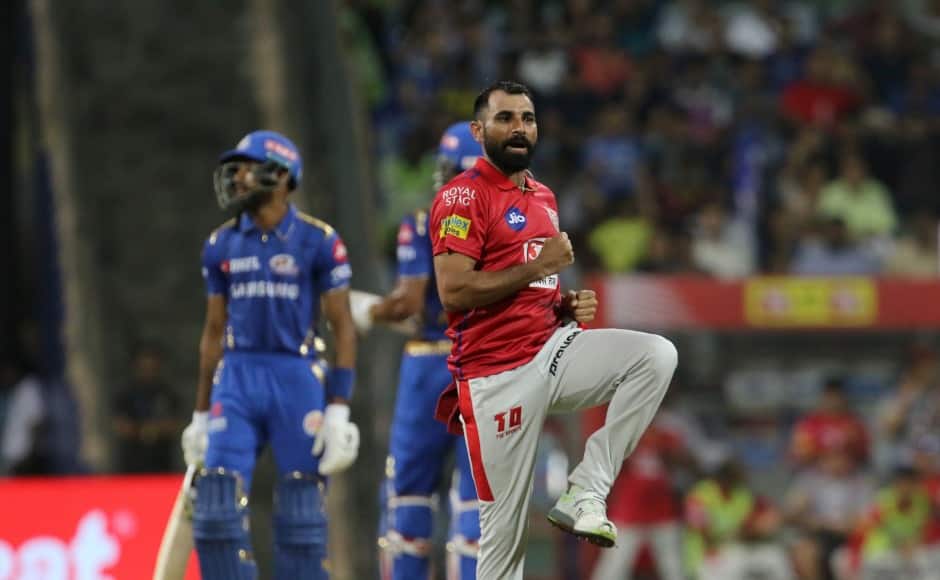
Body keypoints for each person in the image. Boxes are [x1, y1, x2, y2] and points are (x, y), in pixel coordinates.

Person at [429, 80, 678, 579]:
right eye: (505, 118)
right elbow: (454, 293)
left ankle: (586, 488)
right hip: (496, 376)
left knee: (654, 356)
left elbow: (528, 282)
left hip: (551, 348)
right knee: (505, 539)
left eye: (528, 118)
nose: (519, 128)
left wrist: (561, 304)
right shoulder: (461, 196)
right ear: (479, 131)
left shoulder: (542, 195)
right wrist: (538, 266)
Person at [180, 130, 360, 580]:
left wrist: (339, 408)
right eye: (235, 168)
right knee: (215, 512)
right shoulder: (220, 244)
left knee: (302, 520)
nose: (237, 177)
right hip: (237, 377)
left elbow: (343, 328)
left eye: (248, 166)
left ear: (280, 175)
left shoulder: (320, 241)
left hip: (296, 377)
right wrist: (201, 413)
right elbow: (213, 331)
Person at [366, 122, 482, 580]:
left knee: (409, 495)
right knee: (478, 499)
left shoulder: (422, 221)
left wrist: (368, 312)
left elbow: (409, 303)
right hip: (487, 363)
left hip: (430, 365)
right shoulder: (514, 226)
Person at [112, 344, 182, 473]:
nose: (148, 371)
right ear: (136, 367)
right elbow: (121, 426)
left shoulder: (167, 393)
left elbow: (174, 425)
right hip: (131, 465)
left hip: (161, 464)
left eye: (152, 367)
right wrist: (146, 431)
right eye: (144, 367)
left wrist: (149, 430)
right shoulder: (126, 393)